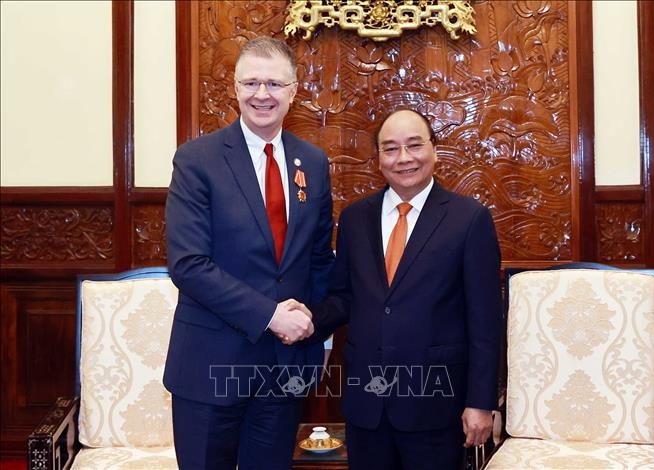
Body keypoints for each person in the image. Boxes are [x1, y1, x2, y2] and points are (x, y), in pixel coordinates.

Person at [163, 36, 334, 470]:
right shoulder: (196, 160)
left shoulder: (312, 162)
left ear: (294, 91)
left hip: (284, 366)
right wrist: (271, 315)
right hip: (210, 365)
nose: (263, 94)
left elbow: (316, 259)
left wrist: (316, 326)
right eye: (252, 82)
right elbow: (188, 264)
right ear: (235, 88)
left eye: (275, 84)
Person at [303, 109, 502, 469]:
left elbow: (486, 322)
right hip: (367, 403)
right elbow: (344, 297)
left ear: (434, 149)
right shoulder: (354, 218)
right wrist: (305, 321)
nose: (404, 158)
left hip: (435, 403)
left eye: (414, 145)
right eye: (390, 148)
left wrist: (480, 402)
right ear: (378, 159)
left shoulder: (469, 219)